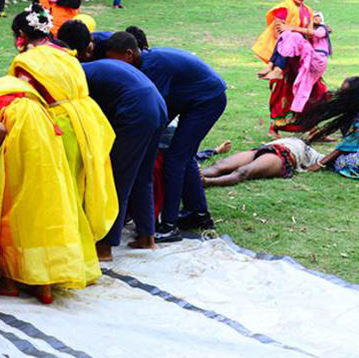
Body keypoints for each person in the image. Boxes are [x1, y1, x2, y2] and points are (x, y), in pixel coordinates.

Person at [0, 76, 86, 304]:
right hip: (43, 128)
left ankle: (9, 282)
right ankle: (43, 286)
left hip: (21, 132)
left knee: (8, 207)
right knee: (40, 204)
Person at [9, 8, 118, 274]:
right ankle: (83, 252)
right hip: (89, 123)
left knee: (60, 193)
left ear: (22, 35)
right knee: (81, 188)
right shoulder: (67, 54)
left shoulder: (27, 62)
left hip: (58, 126)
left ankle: (63, 260)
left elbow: (23, 102)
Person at [105, 32, 226, 242]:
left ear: (129, 54)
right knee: (183, 157)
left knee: (175, 160)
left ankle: (169, 226)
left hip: (207, 100)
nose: (113, 67)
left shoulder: (152, 68)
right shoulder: (145, 63)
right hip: (193, 100)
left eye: (115, 60)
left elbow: (155, 110)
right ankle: (199, 214)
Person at [80, 55, 167, 260]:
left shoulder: (76, 76)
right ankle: (147, 237)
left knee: (119, 180)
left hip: (137, 110)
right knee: (142, 176)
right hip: (157, 105)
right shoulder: (91, 68)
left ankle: (105, 246)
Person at [252, 0, 326, 132]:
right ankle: (275, 128)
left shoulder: (309, 10)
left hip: (304, 58)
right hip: (287, 59)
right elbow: (281, 34)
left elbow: (309, 32)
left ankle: (312, 128)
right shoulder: (283, 8)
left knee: (315, 90)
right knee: (284, 93)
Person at [258, 12, 332, 116]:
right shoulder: (309, 32)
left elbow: (312, 33)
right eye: (313, 16)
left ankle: (276, 68)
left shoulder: (322, 29)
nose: (315, 18)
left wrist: (290, 27)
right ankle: (297, 108)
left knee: (293, 36)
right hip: (309, 59)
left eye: (318, 16)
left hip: (316, 59)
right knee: (304, 84)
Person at [202, 137, 324, 187]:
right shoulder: (287, 139)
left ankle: (207, 182)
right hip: (263, 149)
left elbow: (328, 159)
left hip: (282, 156)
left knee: (243, 172)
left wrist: (316, 165)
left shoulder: (312, 153)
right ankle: (194, 176)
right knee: (219, 166)